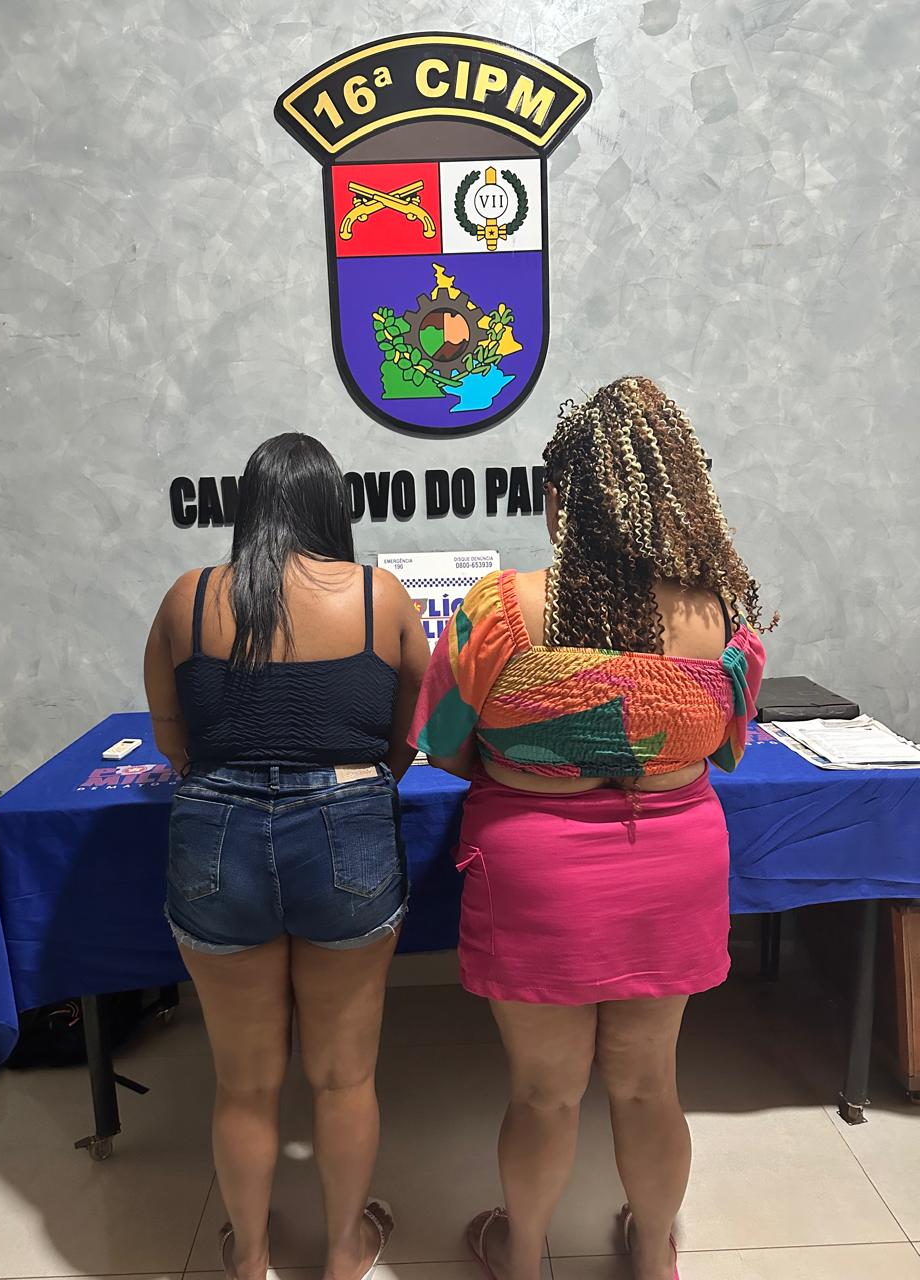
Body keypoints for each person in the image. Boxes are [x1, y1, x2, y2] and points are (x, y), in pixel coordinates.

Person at [409, 377, 771, 1280]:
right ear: (677, 497)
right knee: (650, 1086)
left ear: (563, 497)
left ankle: (521, 1255)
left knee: (543, 1095)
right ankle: (651, 1256)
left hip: (536, 872)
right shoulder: (720, 619)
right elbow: (728, 748)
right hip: (674, 865)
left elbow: (443, 745)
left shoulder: (500, 610)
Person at [144, 434, 430, 1280]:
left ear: (249, 508)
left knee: (242, 1083)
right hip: (348, 824)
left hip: (216, 830)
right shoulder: (381, 597)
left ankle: (250, 1257)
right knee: (344, 1080)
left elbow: (174, 744)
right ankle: (344, 1253)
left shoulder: (187, 597)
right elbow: (405, 740)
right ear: (332, 507)